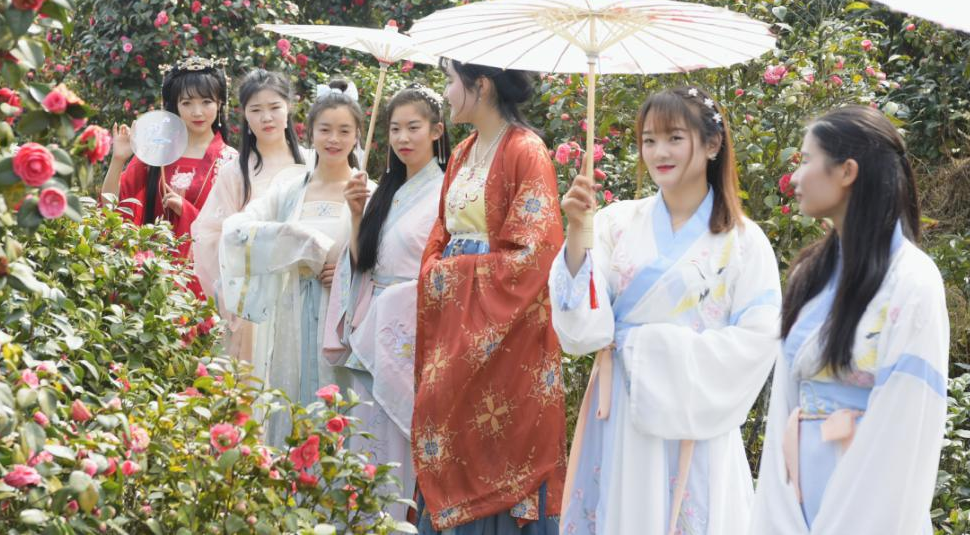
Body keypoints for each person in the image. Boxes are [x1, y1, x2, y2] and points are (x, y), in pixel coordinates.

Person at [551, 85, 781, 535]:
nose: (659, 152)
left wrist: (650, 348)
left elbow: (758, 340)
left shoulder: (744, 241)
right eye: (649, 140)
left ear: (712, 144)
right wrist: (578, 231)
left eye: (675, 137)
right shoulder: (615, 222)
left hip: (697, 417)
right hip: (621, 416)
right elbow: (582, 331)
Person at [749, 105, 949, 535]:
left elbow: (906, 423)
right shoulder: (810, 274)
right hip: (797, 494)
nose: (795, 177)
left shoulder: (913, 281)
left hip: (871, 495)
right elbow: (785, 403)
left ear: (846, 171)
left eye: (806, 159)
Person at [413, 60, 565, 534]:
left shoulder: (526, 151)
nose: (445, 92)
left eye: (450, 80)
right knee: (451, 426)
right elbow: (441, 231)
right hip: (455, 323)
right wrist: (434, 271)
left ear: (480, 85)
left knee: (500, 436)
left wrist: (450, 274)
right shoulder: (462, 151)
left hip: (508, 330)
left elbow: (535, 255)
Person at [219, 80, 373, 441]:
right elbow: (237, 230)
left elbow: (376, 261)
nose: (334, 139)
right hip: (291, 312)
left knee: (339, 410)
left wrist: (347, 272)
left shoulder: (369, 192)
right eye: (325, 129)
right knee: (289, 399)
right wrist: (299, 243)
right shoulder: (289, 191)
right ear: (310, 132)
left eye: (344, 131)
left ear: (357, 136)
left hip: (342, 319)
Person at [322, 84, 449, 516]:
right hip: (372, 326)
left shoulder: (447, 192)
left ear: (437, 131)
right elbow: (363, 262)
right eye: (395, 129)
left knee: (402, 437)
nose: (403, 138)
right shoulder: (385, 190)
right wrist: (357, 213)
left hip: (414, 329)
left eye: (414, 127)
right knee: (366, 437)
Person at [192, 69, 308, 365]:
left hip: (307, 290)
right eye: (256, 110)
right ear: (244, 114)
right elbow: (209, 236)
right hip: (256, 298)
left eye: (274, 107)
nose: (266, 118)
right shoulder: (235, 173)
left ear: (289, 107)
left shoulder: (313, 163)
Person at [102, 55, 236, 275]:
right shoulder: (156, 151)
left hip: (204, 277)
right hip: (151, 274)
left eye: (206, 102)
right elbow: (111, 207)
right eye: (187, 103)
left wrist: (186, 211)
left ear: (220, 103)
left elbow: (234, 231)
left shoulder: (231, 161)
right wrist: (118, 160)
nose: (197, 112)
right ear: (175, 106)